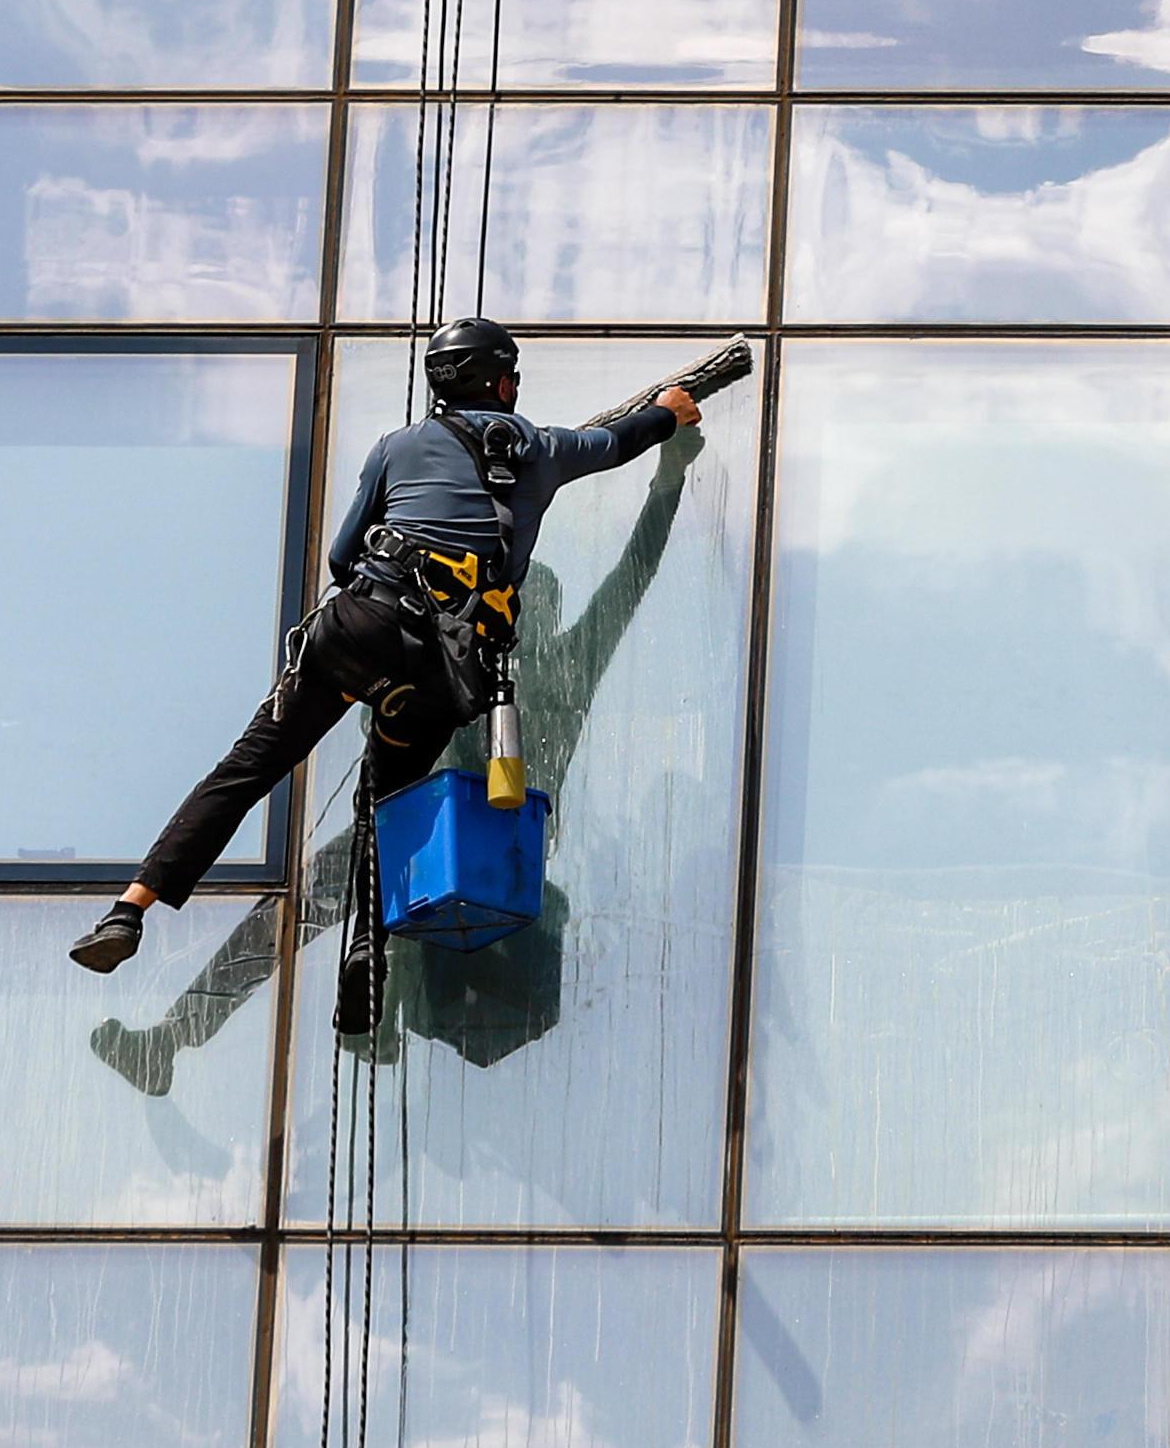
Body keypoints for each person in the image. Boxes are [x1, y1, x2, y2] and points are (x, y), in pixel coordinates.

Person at [68, 321, 700, 976]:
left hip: (358, 629)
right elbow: (619, 441)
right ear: (501, 381)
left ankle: (129, 910)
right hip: (439, 671)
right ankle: (368, 946)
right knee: (385, 798)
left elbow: (344, 556)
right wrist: (668, 413)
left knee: (244, 773)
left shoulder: (397, 448)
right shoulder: (539, 450)